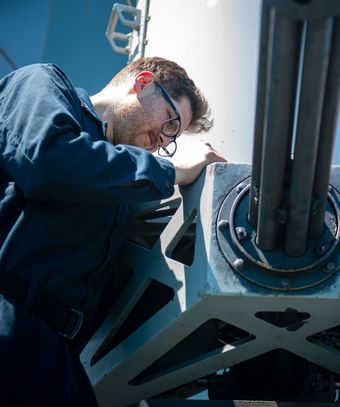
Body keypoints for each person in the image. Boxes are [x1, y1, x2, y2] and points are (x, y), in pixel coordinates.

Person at [0, 56, 226, 406]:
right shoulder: (44, 83)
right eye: (170, 124)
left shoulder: (120, 197)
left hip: (55, 354)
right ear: (143, 83)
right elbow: (46, 161)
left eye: (172, 141)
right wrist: (171, 171)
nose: (162, 143)